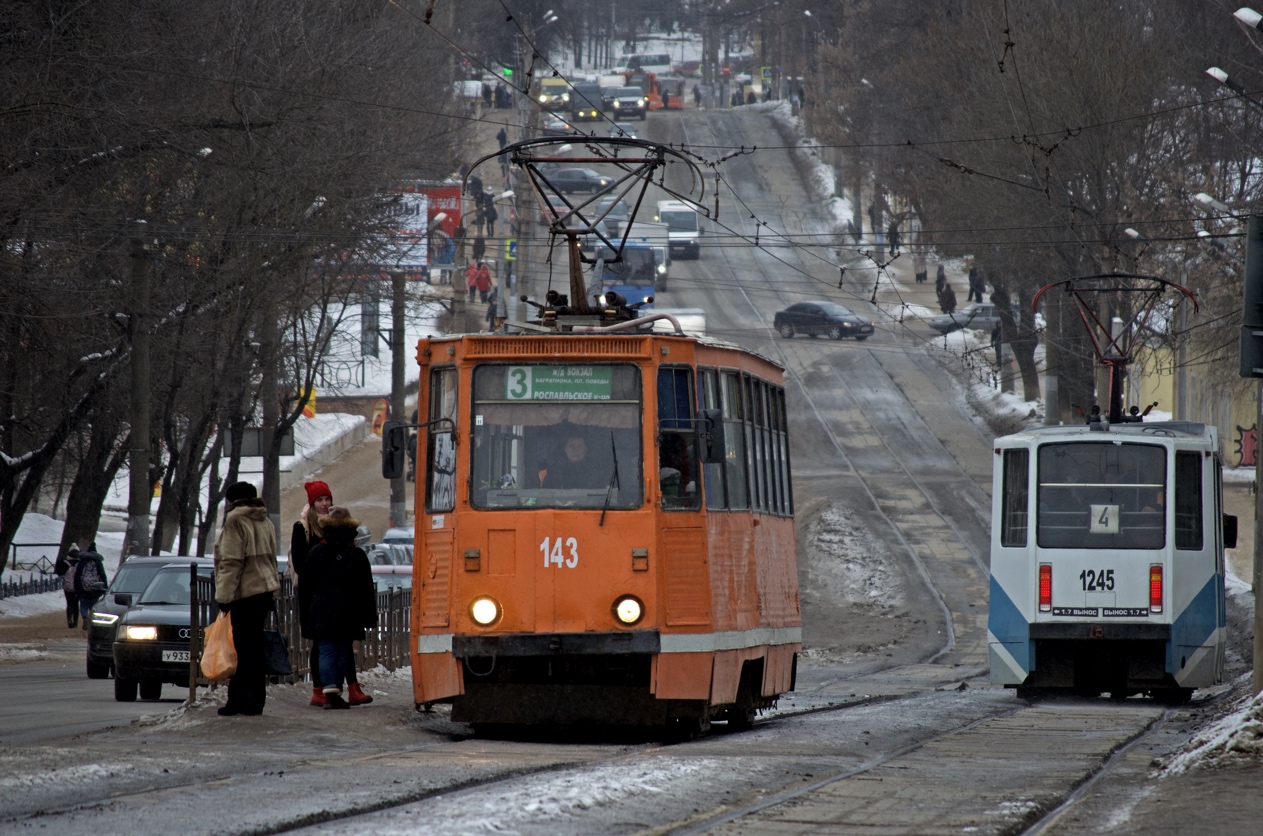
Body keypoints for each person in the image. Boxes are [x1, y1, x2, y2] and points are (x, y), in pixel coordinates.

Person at [214, 481, 280, 717]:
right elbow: (271, 558)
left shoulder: (235, 521)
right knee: (255, 647)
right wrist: (272, 590)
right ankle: (255, 701)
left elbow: (232, 563)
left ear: (232, 501)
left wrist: (224, 596)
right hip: (262, 592)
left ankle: (239, 702)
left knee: (242, 649)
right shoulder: (264, 520)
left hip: (244, 594)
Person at [304, 507, 377, 710]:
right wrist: (369, 617)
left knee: (326, 650)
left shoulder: (317, 552)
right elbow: (365, 589)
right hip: (349, 611)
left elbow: (306, 587)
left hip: (321, 610)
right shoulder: (356, 555)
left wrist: (307, 615)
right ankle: (336, 689)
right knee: (343, 650)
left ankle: (328, 690)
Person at [539, 432, 608, 489]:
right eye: (571, 446)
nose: (575, 450)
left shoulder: (595, 472)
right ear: (565, 449)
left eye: (579, 446)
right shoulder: (554, 472)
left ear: (585, 450)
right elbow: (545, 496)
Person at [73, 543, 108, 631]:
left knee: (83, 605)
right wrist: (105, 587)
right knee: (93, 605)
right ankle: (91, 620)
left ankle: (85, 617)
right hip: (95, 589)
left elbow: (77, 576)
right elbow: (103, 575)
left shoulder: (82, 562)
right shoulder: (98, 562)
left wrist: (76, 588)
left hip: (83, 589)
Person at [55, 543, 80, 629]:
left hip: (67, 587)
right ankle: (76, 622)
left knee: (69, 603)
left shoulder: (64, 563)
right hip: (77, 587)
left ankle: (69, 619)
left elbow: (59, 572)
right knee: (76, 604)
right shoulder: (80, 564)